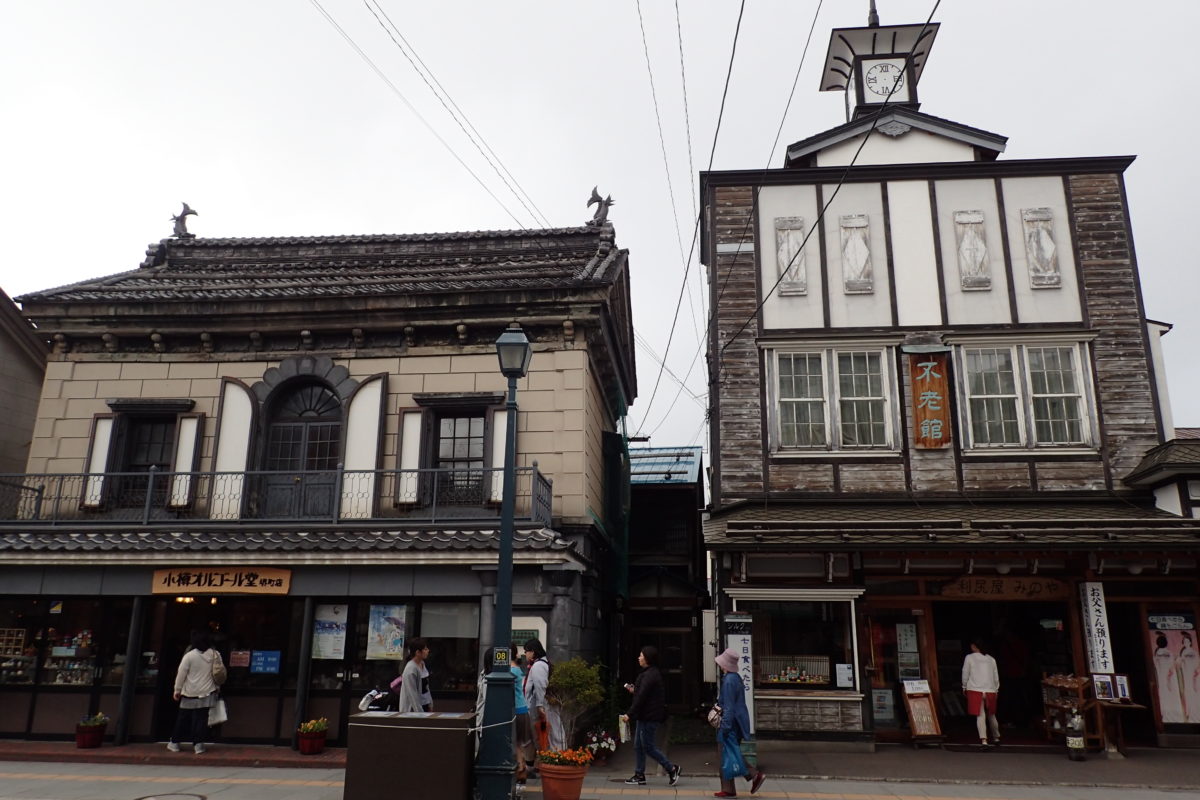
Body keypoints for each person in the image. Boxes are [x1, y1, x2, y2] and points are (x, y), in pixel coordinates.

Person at [620, 645, 681, 786]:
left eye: (641, 655)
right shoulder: (648, 673)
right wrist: (634, 690)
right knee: (639, 746)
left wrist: (629, 714)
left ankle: (671, 768)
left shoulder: (650, 674)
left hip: (650, 716)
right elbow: (642, 693)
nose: (639, 657)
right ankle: (639, 774)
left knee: (648, 746)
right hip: (645, 715)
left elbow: (642, 697)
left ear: (647, 658)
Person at [714, 647, 765, 797]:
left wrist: (725, 727)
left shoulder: (729, 681)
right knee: (730, 752)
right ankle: (731, 787)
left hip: (731, 723)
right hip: (738, 721)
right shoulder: (735, 678)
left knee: (725, 752)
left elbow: (729, 707)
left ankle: (752, 775)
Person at [168, 630, 222, 754]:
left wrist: (177, 690)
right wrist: (218, 687)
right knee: (202, 719)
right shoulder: (215, 654)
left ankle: (175, 743)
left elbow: (181, 674)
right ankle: (198, 745)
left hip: (189, 692)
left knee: (183, 718)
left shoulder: (190, 656)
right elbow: (219, 673)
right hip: (208, 691)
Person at [523, 638, 563, 753]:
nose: (525, 653)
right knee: (547, 732)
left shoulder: (538, 666)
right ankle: (552, 755)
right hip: (545, 705)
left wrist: (540, 706)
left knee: (549, 733)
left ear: (533, 652)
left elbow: (540, 686)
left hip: (544, 706)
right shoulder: (541, 664)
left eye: (526, 651)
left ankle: (555, 755)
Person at [962, 639, 1001, 747]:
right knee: (992, 714)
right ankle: (996, 737)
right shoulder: (991, 659)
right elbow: (996, 677)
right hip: (990, 689)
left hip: (975, 689)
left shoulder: (969, 657)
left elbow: (965, 673)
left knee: (980, 715)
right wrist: (996, 689)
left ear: (974, 646)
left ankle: (984, 740)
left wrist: (964, 686)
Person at [399, 637, 432, 713]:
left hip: (424, 703)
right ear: (418, 652)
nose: (428, 651)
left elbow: (426, 687)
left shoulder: (422, 663)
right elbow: (412, 694)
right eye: (425, 649)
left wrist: (430, 703)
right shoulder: (410, 669)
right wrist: (419, 714)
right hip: (413, 709)